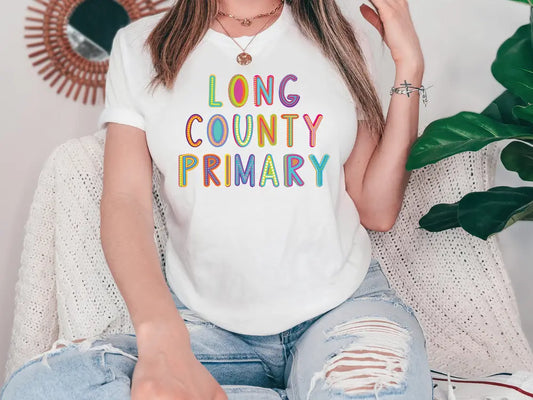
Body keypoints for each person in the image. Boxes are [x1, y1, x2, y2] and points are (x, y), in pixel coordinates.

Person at [0, 0, 433, 398]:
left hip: (342, 313)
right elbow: (126, 201)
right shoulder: (139, 47)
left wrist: (408, 66)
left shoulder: (342, 34)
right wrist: (161, 338)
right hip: (205, 328)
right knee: (41, 388)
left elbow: (375, 208)